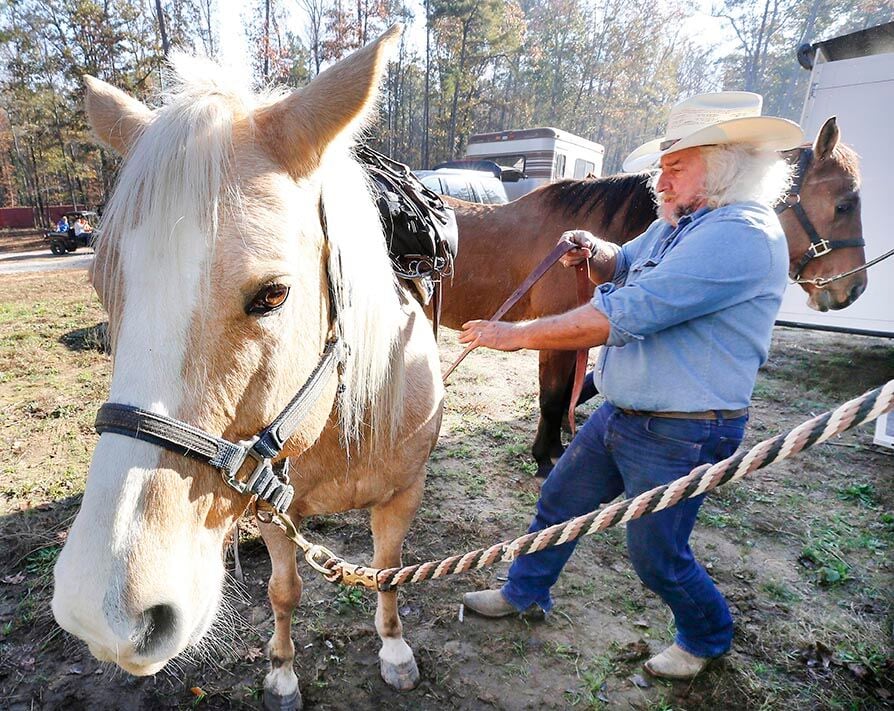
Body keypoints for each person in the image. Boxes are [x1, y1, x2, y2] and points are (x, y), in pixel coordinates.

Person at [459, 92, 803, 680]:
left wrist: (511, 334)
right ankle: (525, 593)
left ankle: (706, 635)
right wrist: (594, 251)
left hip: (684, 429)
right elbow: (623, 265)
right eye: (661, 166)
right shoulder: (681, 221)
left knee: (657, 555)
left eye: (675, 165)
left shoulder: (740, 234)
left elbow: (624, 313)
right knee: (560, 504)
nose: (660, 179)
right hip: (624, 412)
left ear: (725, 164)